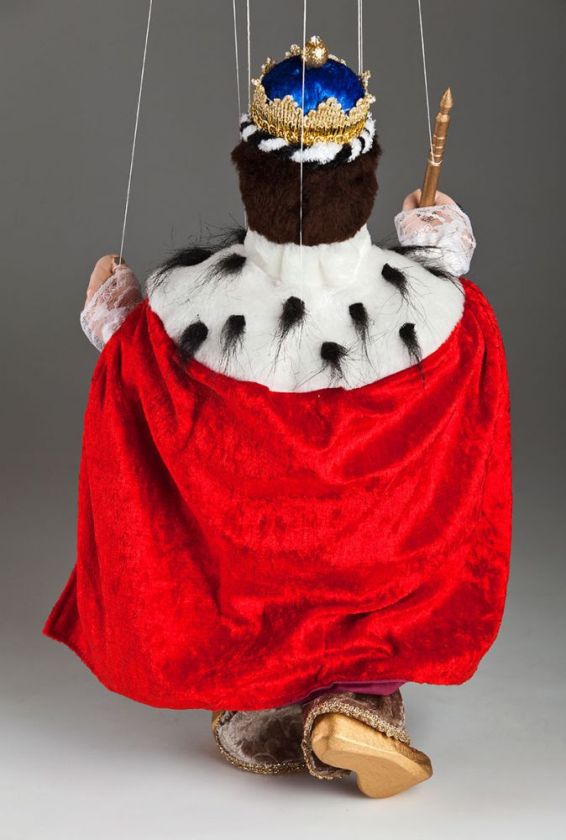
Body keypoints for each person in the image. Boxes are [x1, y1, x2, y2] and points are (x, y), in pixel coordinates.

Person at [44, 37, 511, 799]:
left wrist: (115, 324)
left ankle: (272, 694)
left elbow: (135, 405)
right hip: (378, 579)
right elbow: (471, 434)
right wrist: (442, 262)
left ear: (248, 173)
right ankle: (359, 693)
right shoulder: (451, 320)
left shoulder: (173, 321)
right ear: (366, 176)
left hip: (248, 591)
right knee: (376, 580)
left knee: (245, 601)